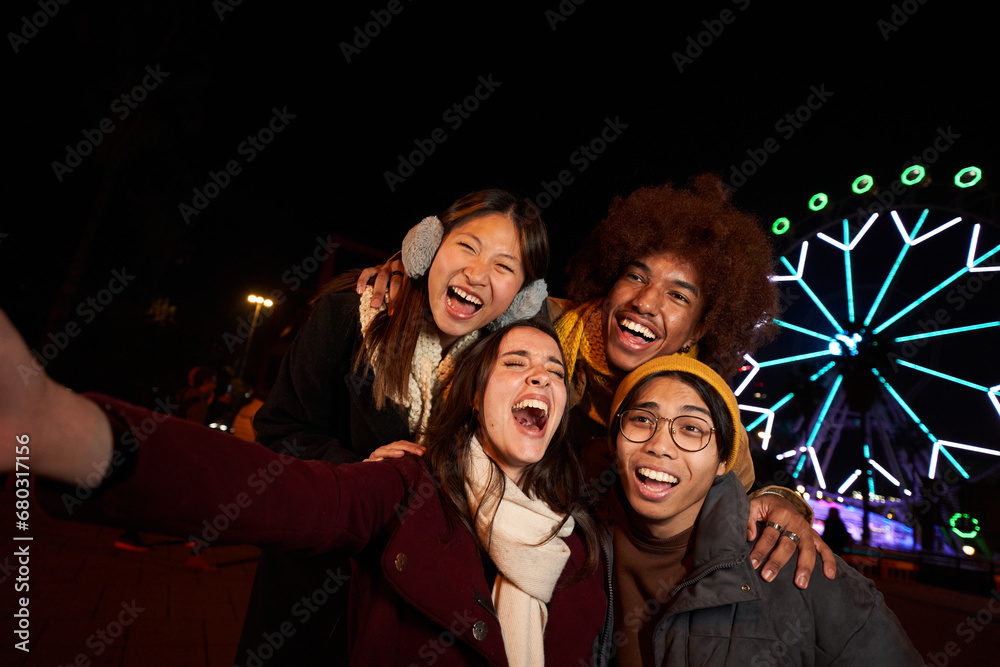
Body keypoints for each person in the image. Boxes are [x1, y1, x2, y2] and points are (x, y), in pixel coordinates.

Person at [4, 319, 606, 665]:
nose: (540, 377)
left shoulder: (578, 550)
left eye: (554, 371)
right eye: (516, 363)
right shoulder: (407, 487)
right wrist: (69, 431)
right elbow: (285, 496)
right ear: (474, 399)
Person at [360, 175, 835, 587]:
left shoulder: (699, 403)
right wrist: (405, 273)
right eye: (636, 276)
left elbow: (752, 482)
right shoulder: (535, 321)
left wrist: (783, 501)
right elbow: (471, 286)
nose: (647, 302)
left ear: (701, 329)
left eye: (678, 296)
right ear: (610, 280)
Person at [594, 354, 921, 666]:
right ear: (613, 440)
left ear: (724, 460)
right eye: (641, 419)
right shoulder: (574, 546)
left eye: (692, 428)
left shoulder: (802, 573)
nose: (660, 445)